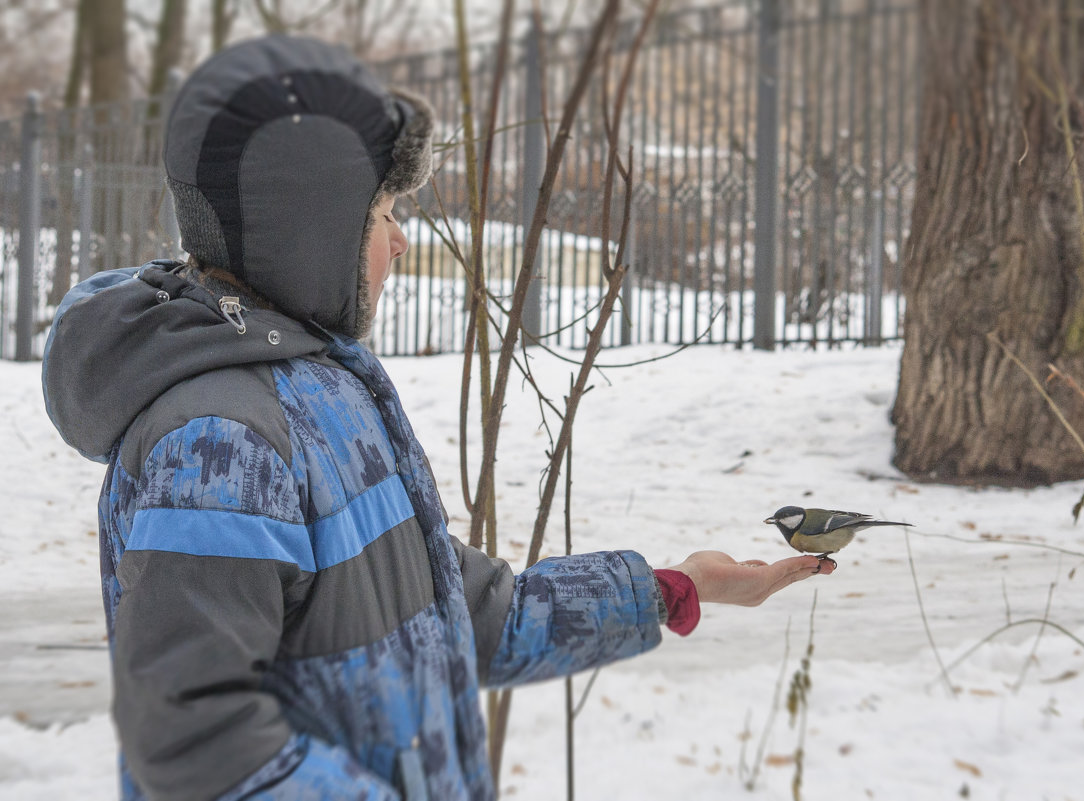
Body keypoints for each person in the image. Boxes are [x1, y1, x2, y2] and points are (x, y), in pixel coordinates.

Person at [42, 34, 833, 801]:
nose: (402, 241)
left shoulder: (322, 393)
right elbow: (197, 745)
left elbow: (462, 611)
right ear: (309, 232)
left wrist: (673, 588)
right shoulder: (220, 441)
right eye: (383, 212)